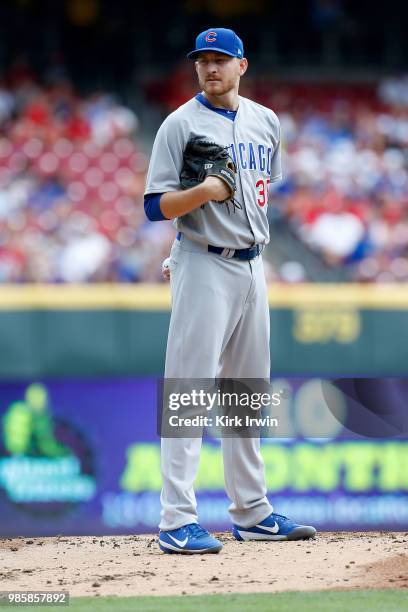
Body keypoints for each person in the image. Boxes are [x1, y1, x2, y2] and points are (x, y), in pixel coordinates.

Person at [144, 27, 316, 554]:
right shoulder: (179, 124)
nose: (211, 68)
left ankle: (251, 511)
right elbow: (154, 206)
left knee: (246, 392)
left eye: (221, 59)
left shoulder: (266, 121)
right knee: (189, 391)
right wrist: (200, 194)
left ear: (242, 65)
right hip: (204, 263)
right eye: (203, 60)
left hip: (252, 265)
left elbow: (262, 196)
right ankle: (176, 519)